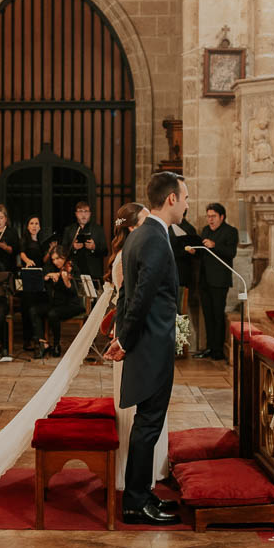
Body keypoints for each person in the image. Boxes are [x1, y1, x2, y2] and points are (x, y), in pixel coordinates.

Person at [105, 171, 188, 525]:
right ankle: (136, 503)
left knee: (147, 422)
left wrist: (123, 334)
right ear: (171, 199)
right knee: (149, 423)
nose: (187, 204)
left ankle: (141, 493)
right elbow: (140, 297)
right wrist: (124, 338)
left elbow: (126, 295)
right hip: (152, 344)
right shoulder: (154, 237)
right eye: (185, 198)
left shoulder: (140, 235)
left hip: (145, 341)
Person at [105, 202, 170, 492]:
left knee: (146, 416)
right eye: (143, 220)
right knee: (141, 415)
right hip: (137, 335)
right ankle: (135, 491)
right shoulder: (138, 248)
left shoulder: (135, 246)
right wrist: (125, 339)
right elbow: (133, 300)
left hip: (137, 333)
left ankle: (142, 485)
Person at [196, 203, 239, 361]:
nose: (210, 220)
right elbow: (202, 254)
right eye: (208, 216)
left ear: (222, 217)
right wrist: (195, 250)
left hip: (220, 281)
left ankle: (218, 350)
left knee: (217, 315)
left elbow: (231, 253)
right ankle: (209, 347)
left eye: (213, 216)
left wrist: (215, 245)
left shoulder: (230, 232)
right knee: (207, 315)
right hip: (205, 280)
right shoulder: (206, 231)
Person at [30, 244, 84, 360]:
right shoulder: (50, 267)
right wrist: (48, 276)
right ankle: (42, 343)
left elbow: (76, 292)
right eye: (53, 259)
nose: (55, 262)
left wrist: (66, 282)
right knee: (34, 310)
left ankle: (56, 344)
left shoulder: (73, 268)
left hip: (72, 304)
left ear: (64, 257)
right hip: (56, 303)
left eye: (58, 259)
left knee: (53, 314)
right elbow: (41, 278)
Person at [17, 215, 51, 351]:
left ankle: (39, 338)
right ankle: (27, 340)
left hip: (40, 275)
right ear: (28, 226)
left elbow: (44, 259)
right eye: (32, 223)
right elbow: (22, 253)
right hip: (29, 274)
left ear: (40, 226)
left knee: (38, 307)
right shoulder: (24, 239)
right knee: (27, 307)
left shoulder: (42, 241)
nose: (34, 226)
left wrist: (50, 251)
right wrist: (27, 261)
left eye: (37, 223)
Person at [61, 201, 108, 279]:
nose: (83, 214)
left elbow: (105, 251)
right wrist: (74, 248)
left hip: (94, 272)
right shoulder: (69, 229)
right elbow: (63, 251)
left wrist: (94, 248)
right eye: (80, 211)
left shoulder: (98, 229)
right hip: (74, 271)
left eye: (86, 211)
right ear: (76, 214)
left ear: (90, 213)